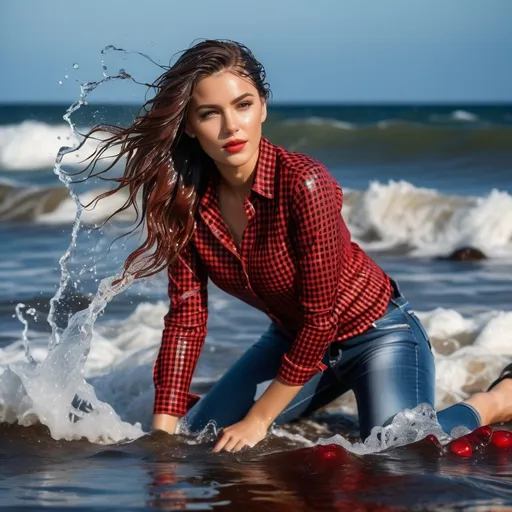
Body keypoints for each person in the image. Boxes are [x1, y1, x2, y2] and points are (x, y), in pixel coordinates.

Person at [80, 40, 512, 453]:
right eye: (210, 114)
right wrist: (162, 435)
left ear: (262, 106)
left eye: (243, 105)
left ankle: (495, 399)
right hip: (291, 340)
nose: (231, 126)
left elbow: (322, 320)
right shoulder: (188, 203)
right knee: (196, 439)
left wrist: (259, 419)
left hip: (377, 334)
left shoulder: (304, 182)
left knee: (398, 453)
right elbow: (187, 321)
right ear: (190, 126)